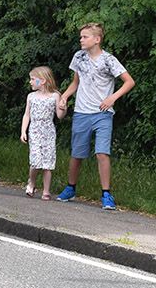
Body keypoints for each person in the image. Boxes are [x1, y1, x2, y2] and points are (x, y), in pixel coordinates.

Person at [56, 23, 135, 210]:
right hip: (81, 112)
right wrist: (65, 96)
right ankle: (71, 188)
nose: (81, 39)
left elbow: (129, 81)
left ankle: (106, 194)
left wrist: (112, 97)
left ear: (97, 39)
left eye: (85, 37)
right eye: (81, 37)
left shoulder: (109, 60)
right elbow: (76, 82)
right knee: (77, 153)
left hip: (102, 113)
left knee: (102, 152)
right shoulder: (79, 57)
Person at [21, 66, 66, 199]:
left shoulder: (55, 96)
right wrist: (23, 131)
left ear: (43, 80)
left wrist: (63, 108)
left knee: (48, 161)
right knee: (35, 160)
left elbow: (59, 115)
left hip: (48, 131)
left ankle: (46, 190)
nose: (30, 82)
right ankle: (32, 182)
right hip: (34, 130)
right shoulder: (31, 96)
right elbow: (27, 115)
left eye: (32, 79)